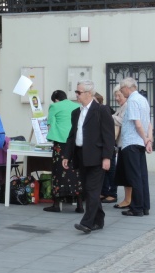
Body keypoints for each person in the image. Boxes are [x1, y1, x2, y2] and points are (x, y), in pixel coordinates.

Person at [63, 80, 114, 234]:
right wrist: (67, 155)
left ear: (89, 93)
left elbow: (109, 136)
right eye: (76, 92)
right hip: (81, 155)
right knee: (87, 190)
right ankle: (99, 219)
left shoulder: (101, 110)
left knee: (92, 190)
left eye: (79, 92)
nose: (76, 95)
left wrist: (107, 157)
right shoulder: (76, 113)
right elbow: (72, 136)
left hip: (97, 157)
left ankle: (87, 223)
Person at [43, 90, 83, 213]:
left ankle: (56, 204)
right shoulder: (77, 106)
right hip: (75, 142)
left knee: (58, 171)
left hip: (60, 142)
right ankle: (80, 205)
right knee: (76, 172)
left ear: (55, 99)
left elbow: (50, 125)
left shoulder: (54, 106)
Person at [119, 77, 152, 217]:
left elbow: (138, 123)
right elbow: (149, 123)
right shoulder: (143, 99)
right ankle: (144, 207)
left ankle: (136, 208)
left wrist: (145, 138)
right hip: (139, 143)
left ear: (127, 87)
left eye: (121, 88)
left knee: (134, 177)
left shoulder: (132, 100)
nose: (121, 91)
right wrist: (148, 140)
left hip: (131, 142)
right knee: (142, 176)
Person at [93, 93, 118, 203]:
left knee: (111, 170)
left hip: (109, 144)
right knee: (104, 171)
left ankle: (112, 193)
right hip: (102, 144)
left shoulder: (105, 109)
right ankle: (104, 192)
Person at [112, 86, 130, 208]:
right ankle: (128, 199)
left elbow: (123, 121)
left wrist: (109, 115)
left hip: (127, 144)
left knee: (127, 174)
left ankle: (129, 200)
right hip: (122, 144)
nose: (117, 98)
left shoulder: (128, 106)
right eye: (116, 96)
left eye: (119, 96)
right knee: (124, 174)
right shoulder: (122, 107)